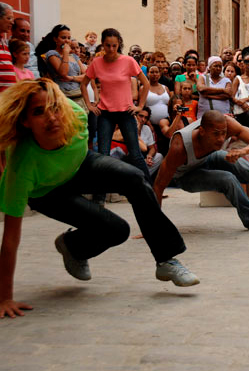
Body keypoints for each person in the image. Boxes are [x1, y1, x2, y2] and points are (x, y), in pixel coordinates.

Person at [0, 80, 199, 318]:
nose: (52, 117)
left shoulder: (75, 116)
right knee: (117, 230)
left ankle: (166, 260)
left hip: (79, 166)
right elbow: (10, 238)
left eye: (54, 107)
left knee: (135, 178)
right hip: (48, 194)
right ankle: (73, 247)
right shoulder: (21, 167)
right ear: (25, 121)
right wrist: (5, 298)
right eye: (38, 112)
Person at [81, 28, 151, 181]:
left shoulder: (128, 61)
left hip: (126, 112)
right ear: (102, 45)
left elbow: (145, 84)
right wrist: (89, 105)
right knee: (103, 155)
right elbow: (84, 83)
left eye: (114, 45)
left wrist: (140, 106)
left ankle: (151, 190)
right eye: (107, 45)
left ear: (119, 44)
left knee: (136, 154)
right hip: (105, 113)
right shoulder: (97, 63)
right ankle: (100, 197)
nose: (111, 49)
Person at [38, 24, 88, 111]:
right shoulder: (52, 54)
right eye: (63, 37)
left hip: (79, 96)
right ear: (55, 39)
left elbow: (87, 76)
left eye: (69, 38)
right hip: (64, 97)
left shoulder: (74, 56)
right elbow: (63, 73)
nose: (67, 41)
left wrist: (72, 78)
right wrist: (65, 53)